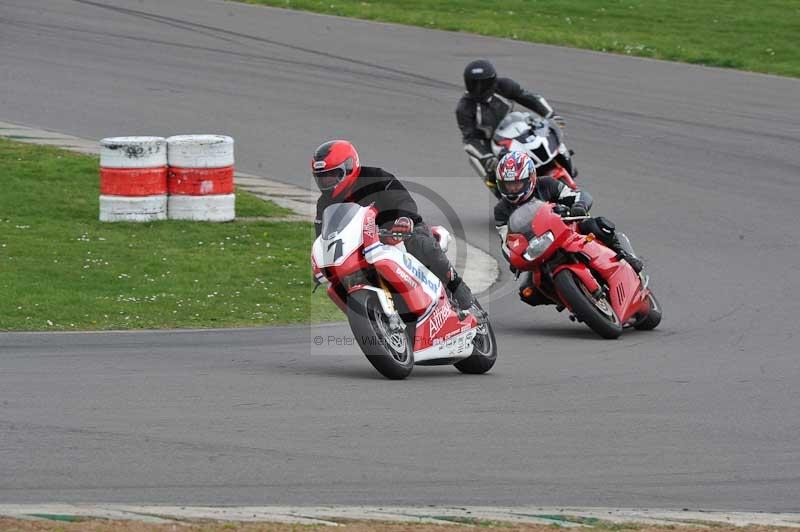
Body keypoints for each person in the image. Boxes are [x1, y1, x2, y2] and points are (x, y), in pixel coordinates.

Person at [312, 139, 483, 316]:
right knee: (341, 284)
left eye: (332, 175)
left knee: (424, 247)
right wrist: (323, 264)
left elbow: (402, 198)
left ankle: (462, 295)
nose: (327, 182)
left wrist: (403, 219)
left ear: (348, 167)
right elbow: (325, 237)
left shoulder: (376, 177)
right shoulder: (325, 203)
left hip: (400, 231)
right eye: (322, 177)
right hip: (363, 248)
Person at [492, 151, 643, 306]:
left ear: (530, 178)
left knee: (596, 225)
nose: (512, 189)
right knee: (528, 293)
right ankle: (570, 299)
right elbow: (506, 241)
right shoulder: (501, 210)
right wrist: (513, 258)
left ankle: (624, 255)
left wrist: (579, 205)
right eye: (508, 185)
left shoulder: (546, 184)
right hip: (538, 249)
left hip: (567, 229)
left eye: (517, 183)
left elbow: (579, 194)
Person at [456, 59, 575, 195]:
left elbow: (529, 98)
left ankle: (564, 161)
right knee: (497, 175)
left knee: (546, 137)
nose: (479, 89)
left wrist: (551, 115)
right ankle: (508, 200)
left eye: (483, 84)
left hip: (514, 127)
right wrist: (487, 158)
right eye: (474, 84)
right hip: (490, 143)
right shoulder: (464, 108)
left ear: (492, 81)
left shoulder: (504, 86)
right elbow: (469, 140)